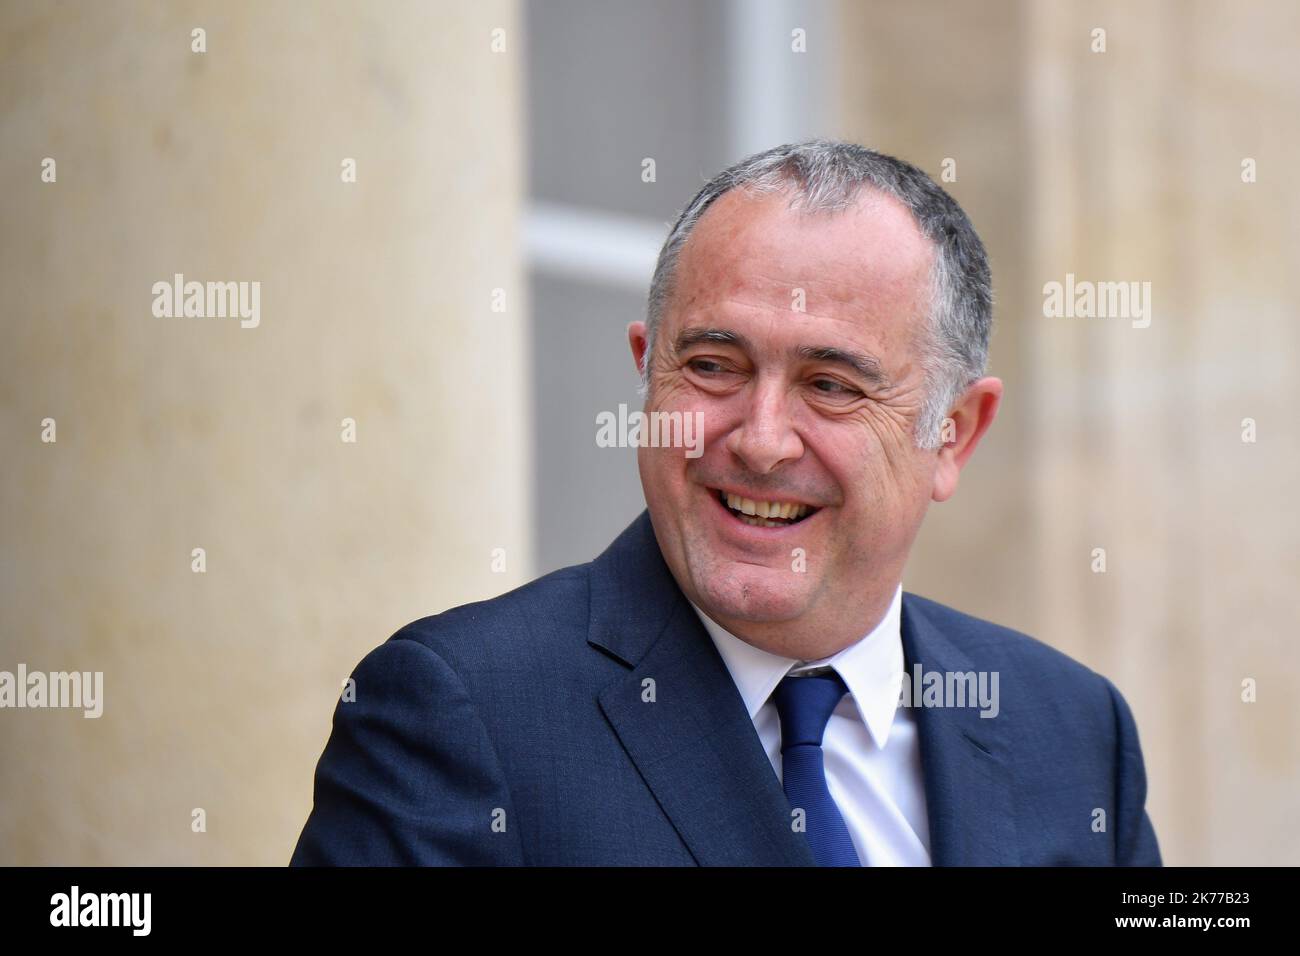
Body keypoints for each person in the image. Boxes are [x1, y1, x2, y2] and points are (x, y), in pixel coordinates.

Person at [290, 140, 1162, 866]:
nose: (760, 439)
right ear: (646, 370)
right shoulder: (458, 711)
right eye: (712, 367)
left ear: (955, 434)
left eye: (830, 385)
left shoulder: (1074, 733)